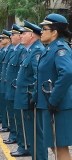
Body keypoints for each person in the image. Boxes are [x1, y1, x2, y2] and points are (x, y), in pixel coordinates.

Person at [37, 13, 72, 160]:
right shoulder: (49, 49)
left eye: (44, 29)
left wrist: (54, 99)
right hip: (51, 104)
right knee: (54, 144)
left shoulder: (59, 49)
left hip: (58, 105)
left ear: (54, 32)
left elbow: (68, 73)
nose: (41, 32)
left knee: (60, 146)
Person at [14, 20, 47, 160]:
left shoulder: (37, 51)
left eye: (23, 33)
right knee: (31, 132)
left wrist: (33, 95)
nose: (20, 36)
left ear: (32, 35)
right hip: (26, 98)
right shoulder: (31, 51)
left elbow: (38, 76)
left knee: (36, 134)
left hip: (30, 99)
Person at [7, 24, 30, 157]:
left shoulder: (25, 50)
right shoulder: (19, 50)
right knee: (17, 117)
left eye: (14, 34)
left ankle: (24, 145)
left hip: (22, 91)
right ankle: (22, 143)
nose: (13, 37)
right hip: (15, 89)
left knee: (22, 120)